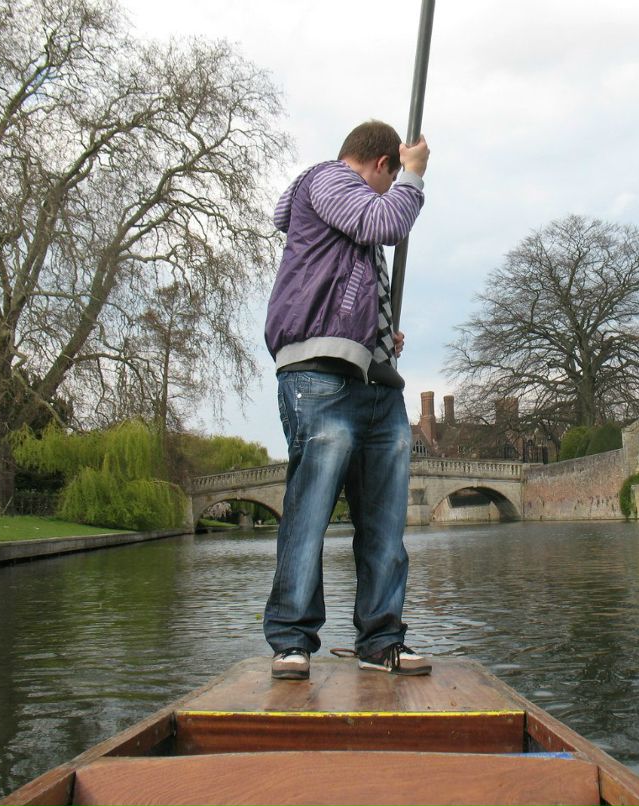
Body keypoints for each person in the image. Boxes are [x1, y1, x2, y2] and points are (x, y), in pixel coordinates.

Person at [262, 120, 432, 680]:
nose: (387, 191)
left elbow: (350, 288)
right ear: (381, 164)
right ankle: (292, 640)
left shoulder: (348, 220)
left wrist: (380, 336)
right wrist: (414, 175)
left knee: (385, 523)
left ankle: (380, 641)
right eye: (390, 176)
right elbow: (386, 221)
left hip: (374, 384)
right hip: (318, 376)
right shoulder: (328, 179)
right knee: (310, 513)